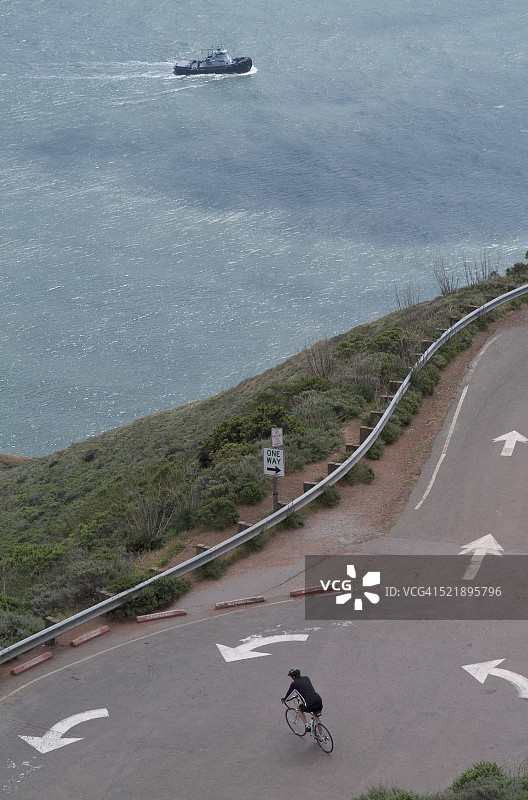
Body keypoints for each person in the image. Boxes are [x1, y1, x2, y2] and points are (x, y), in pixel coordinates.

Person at [281, 668, 323, 733]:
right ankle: (321, 735)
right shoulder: (306, 678)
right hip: (318, 700)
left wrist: (284, 699)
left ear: (294, 676)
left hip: (310, 704)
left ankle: (307, 725)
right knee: (317, 717)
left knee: (299, 709)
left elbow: (289, 694)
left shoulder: (294, 684)